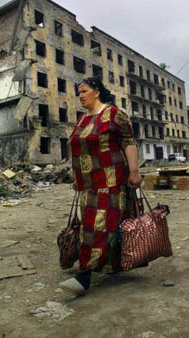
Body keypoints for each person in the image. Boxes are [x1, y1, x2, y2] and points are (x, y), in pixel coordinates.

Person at [60, 77, 142, 295]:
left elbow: (129, 143)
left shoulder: (114, 114)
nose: (80, 95)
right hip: (88, 186)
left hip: (111, 182)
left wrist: (134, 171)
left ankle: (84, 276)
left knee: (101, 227)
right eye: (79, 92)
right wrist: (76, 177)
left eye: (84, 91)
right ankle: (112, 266)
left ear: (96, 92)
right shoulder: (82, 119)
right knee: (89, 228)